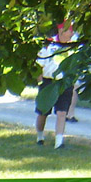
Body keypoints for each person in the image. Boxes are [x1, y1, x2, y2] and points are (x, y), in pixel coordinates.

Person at [34, 22, 76, 150]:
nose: (72, 33)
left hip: (65, 83)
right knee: (43, 112)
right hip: (49, 82)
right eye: (70, 30)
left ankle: (59, 142)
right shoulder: (49, 45)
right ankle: (40, 136)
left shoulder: (74, 46)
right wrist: (40, 82)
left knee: (62, 112)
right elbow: (39, 66)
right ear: (61, 31)